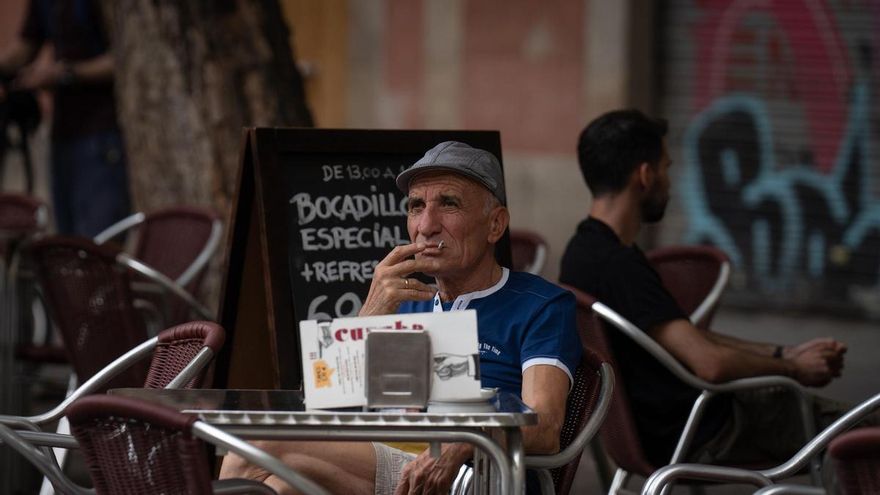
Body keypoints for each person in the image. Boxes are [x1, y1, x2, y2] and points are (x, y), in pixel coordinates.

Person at [221, 141, 583, 494]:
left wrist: (462, 443)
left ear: (495, 225)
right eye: (416, 206)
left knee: (258, 442)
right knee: (280, 485)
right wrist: (368, 315)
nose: (427, 225)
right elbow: (315, 406)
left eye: (449, 204)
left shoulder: (541, 305)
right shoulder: (406, 303)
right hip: (395, 460)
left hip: (478, 475)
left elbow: (546, 427)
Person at [559, 109, 848, 467]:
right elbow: (709, 363)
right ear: (645, 175)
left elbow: (686, 336)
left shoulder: (581, 252)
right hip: (706, 429)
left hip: (659, 433)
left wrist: (784, 354)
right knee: (865, 434)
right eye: (666, 167)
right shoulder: (619, 266)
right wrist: (795, 371)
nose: (670, 179)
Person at [0, 0, 130, 237]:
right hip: (62, 134)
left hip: (101, 134)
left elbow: (124, 58)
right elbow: (25, 47)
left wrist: (67, 74)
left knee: (97, 241)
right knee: (66, 239)